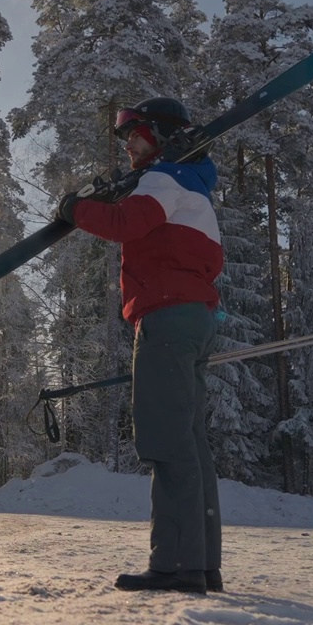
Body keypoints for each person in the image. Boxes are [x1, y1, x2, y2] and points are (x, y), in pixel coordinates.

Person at [54, 97, 224, 594]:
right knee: (191, 443)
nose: (128, 145)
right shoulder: (193, 187)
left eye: (135, 134)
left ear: (163, 135)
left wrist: (75, 208)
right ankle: (202, 563)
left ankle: (175, 565)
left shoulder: (162, 178)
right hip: (194, 317)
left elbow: (126, 224)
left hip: (166, 320)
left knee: (167, 443)